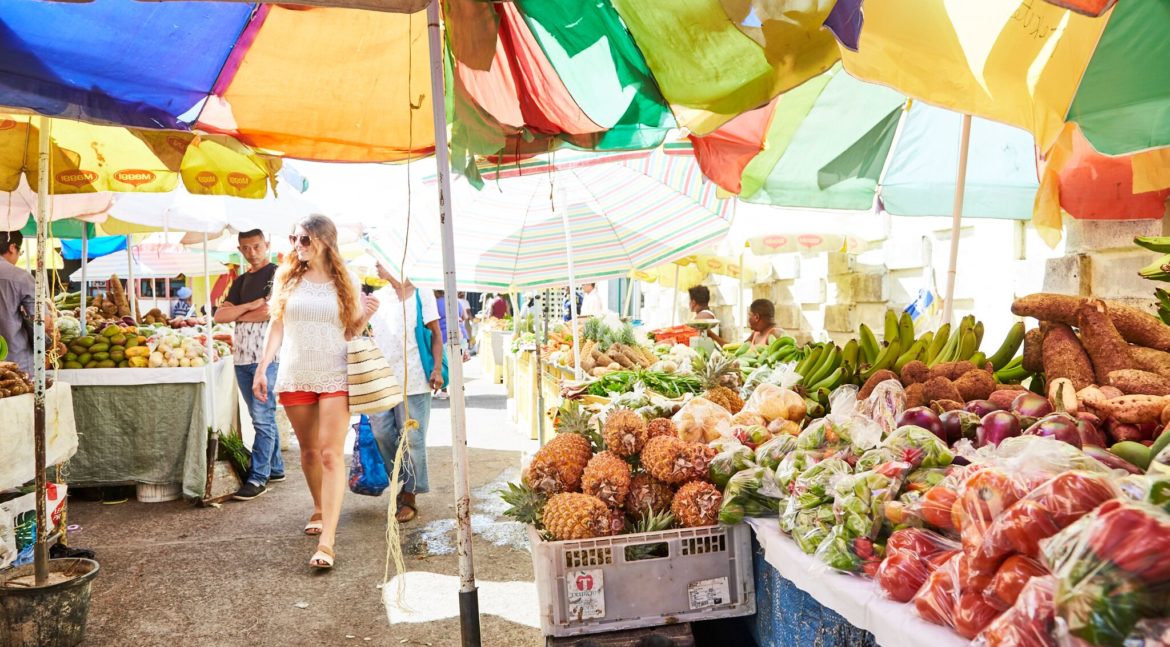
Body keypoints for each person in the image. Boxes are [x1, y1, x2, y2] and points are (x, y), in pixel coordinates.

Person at [253, 214, 379, 570]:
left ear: (325, 240)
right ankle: (320, 507)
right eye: (294, 239)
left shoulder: (347, 280)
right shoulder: (285, 277)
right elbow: (276, 327)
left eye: (304, 239)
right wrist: (262, 368)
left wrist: (365, 316)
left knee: (329, 454)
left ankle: (328, 542)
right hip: (295, 373)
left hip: (336, 373)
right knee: (308, 452)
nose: (297, 246)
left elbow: (351, 332)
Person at [369, 263, 443, 524]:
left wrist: (436, 369)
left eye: (380, 261)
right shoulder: (377, 299)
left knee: (412, 438)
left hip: (414, 379)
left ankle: (410, 494)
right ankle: (400, 480)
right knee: (380, 432)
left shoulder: (422, 293)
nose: (376, 266)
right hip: (380, 379)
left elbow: (435, 334)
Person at [214, 230, 284, 501]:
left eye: (256, 246)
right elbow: (221, 315)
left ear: (267, 245)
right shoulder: (241, 280)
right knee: (262, 415)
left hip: (265, 357)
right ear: (240, 249)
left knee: (262, 417)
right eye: (246, 248)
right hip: (241, 357)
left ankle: (258, 477)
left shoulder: (277, 274)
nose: (252, 252)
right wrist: (251, 305)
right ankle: (275, 467)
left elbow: (272, 310)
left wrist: (242, 311)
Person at [0, 231, 34, 375]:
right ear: (12, 247)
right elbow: (43, 321)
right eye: (20, 251)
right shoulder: (21, 277)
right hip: (15, 362)